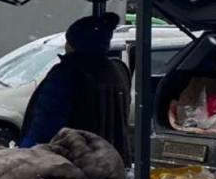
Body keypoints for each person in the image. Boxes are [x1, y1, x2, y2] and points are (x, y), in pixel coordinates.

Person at [20, 12, 132, 164]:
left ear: (74, 44)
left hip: (72, 168)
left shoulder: (67, 74)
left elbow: (46, 124)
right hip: (112, 165)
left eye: (68, 41)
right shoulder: (119, 71)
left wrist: (25, 154)